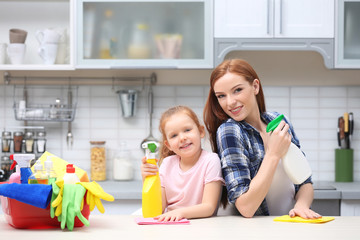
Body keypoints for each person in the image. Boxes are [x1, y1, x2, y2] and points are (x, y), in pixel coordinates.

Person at [203, 59, 321, 219]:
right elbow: (246, 207)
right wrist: (273, 153)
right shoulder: (230, 131)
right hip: (259, 231)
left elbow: (305, 181)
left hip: (294, 225)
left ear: (255, 86)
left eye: (237, 90)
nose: (230, 102)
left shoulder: (279, 120)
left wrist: (301, 206)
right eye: (221, 96)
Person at [141, 105, 224, 221]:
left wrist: (179, 213)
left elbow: (209, 207)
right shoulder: (167, 164)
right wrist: (148, 179)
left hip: (202, 226)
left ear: (200, 131)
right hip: (171, 226)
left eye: (187, 130)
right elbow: (158, 209)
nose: (182, 138)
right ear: (168, 145)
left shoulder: (210, 161)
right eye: (174, 135)